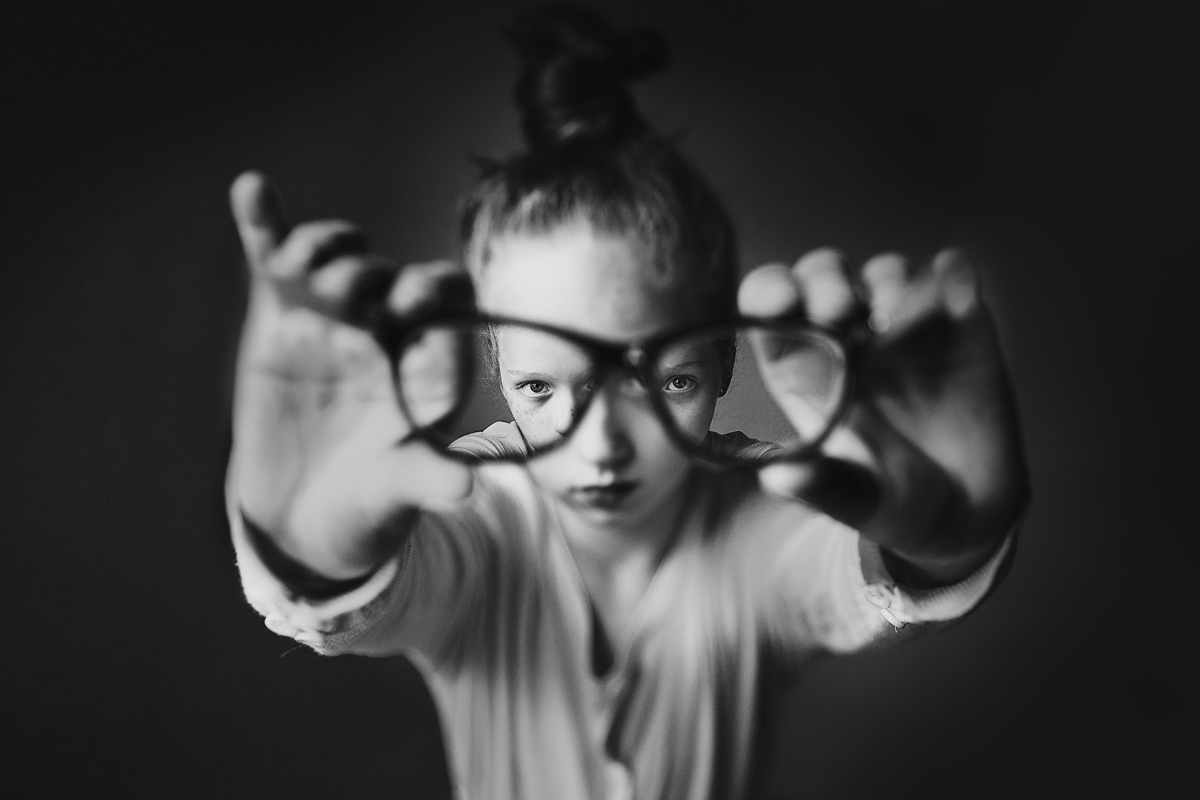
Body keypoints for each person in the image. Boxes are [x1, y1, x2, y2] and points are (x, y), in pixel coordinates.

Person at [225, 7, 1029, 799]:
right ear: (499, 371)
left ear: (722, 364)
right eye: (540, 388)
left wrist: (946, 544)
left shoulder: (759, 510)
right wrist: (306, 554)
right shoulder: (474, 508)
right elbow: (395, 579)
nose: (602, 445)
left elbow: (842, 570)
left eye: (666, 383)